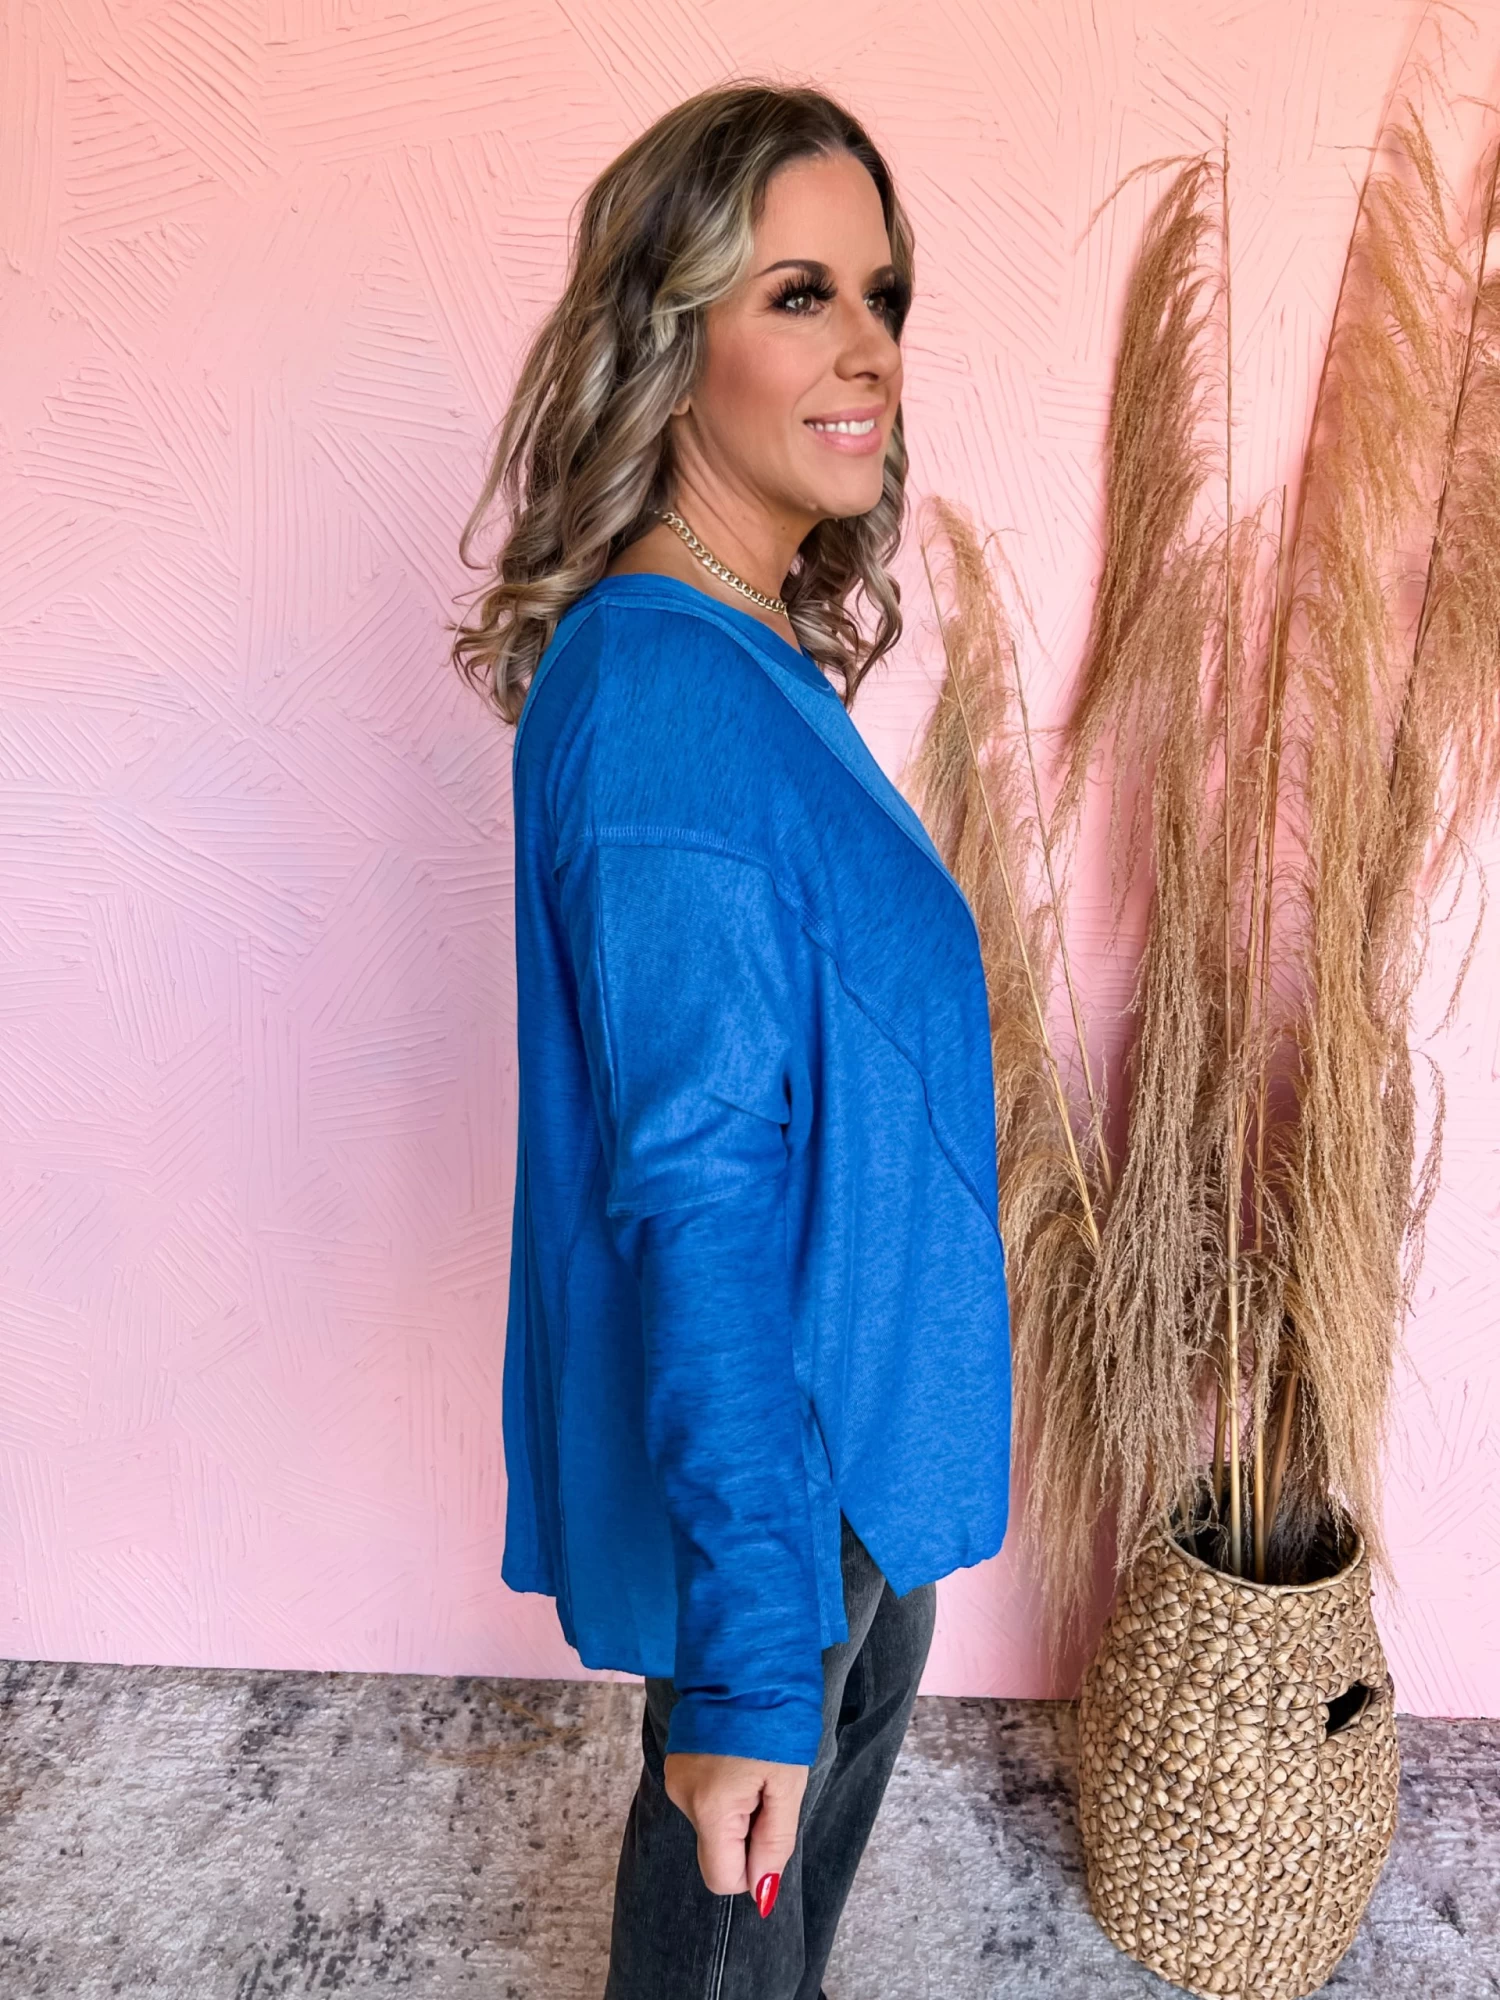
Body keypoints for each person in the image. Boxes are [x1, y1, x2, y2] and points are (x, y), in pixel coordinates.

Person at [449, 80, 1012, 2000]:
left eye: (882, 293)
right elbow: (696, 1194)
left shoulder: (737, 652)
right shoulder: (670, 702)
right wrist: (756, 1664)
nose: (869, 348)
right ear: (671, 337)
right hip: (776, 1515)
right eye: (798, 294)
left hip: (837, 1488)